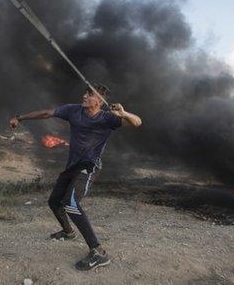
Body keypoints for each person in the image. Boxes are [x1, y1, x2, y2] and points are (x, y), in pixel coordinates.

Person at [9, 83, 142, 271]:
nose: (84, 96)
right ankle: (68, 232)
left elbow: (137, 122)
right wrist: (20, 117)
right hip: (73, 166)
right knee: (54, 201)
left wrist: (124, 114)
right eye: (85, 93)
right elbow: (47, 113)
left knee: (71, 204)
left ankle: (99, 252)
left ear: (99, 101)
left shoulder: (108, 118)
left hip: (89, 166)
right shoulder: (73, 110)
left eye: (89, 95)